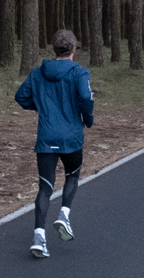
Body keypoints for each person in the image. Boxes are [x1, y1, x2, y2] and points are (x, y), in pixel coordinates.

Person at [14, 29, 94, 258]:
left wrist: (41, 107)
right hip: (71, 137)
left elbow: (21, 97)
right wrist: (87, 120)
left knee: (45, 187)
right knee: (72, 176)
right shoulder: (80, 72)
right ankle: (64, 215)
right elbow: (85, 99)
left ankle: (39, 237)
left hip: (47, 137)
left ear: (54, 49)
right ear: (74, 49)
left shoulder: (38, 73)